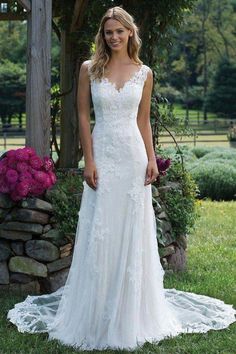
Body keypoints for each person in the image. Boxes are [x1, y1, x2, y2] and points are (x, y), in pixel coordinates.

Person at [7, 6, 236, 351]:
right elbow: (83, 117)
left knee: (130, 228)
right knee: (101, 226)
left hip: (132, 157)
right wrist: (89, 160)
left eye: (120, 31)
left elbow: (143, 120)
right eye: (108, 31)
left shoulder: (144, 72)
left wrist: (151, 159)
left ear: (131, 33)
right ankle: (95, 310)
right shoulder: (89, 69)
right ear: (103, 35)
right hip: (103, 155)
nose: (114, 37)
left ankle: (131, 311)